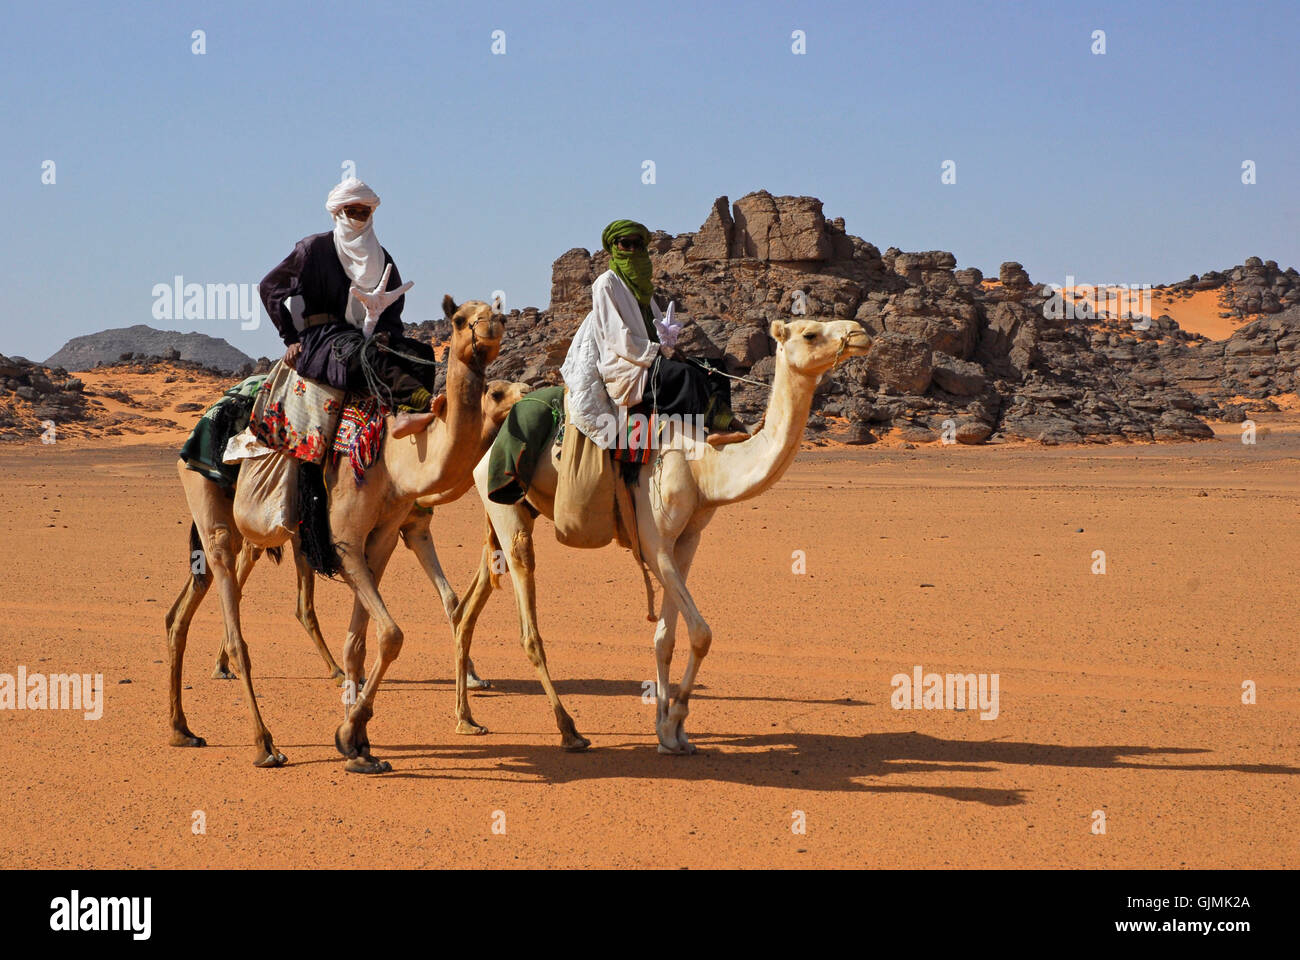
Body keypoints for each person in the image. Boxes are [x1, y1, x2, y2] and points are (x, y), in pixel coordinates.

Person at [259, 178, 438, 438]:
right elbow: (269, 288)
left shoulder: (381, 257)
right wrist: (291, 339)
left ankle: (406, 414)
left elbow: (393, 305)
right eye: (351, 211)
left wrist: (387, 333)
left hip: (367, 336)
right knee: (366, 355)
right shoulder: (313, 249)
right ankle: (424, 401)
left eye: (364, 211)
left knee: (419, 352)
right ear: (338, 213)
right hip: (324, 340)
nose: (358, 217)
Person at [560, 219, 749, 454]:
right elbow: (616, 336)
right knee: (685, 375)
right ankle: (712, 428)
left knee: (713, 369)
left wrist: (670, 346)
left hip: (650, 358)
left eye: (638, 245)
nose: (632, 250)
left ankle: (725, 422)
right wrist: (657, 350)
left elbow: (656, 329)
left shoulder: (643, 290)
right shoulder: (606, 283)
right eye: (625, 244)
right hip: (627, 365)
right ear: (613, 247)